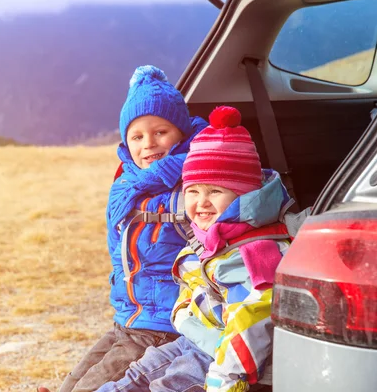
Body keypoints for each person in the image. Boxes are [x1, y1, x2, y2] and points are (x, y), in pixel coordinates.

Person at [95, 105, 294, 392]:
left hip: (226, 354)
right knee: (137, 375)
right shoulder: (210, 235)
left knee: (167, 385)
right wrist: (183, 313)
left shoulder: (254, 253)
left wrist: (226, 380)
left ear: (243, 194)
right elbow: (193, 282)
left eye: (215, 191)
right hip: (198, 336)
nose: (201, 202)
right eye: (193, 191)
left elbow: (250, 324)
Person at [38, 65, 208, 392]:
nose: (149, 144)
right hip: (128, 318)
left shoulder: (192, 183)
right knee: (71, 384)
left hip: (162, 325)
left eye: (161, 132)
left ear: (182, 133)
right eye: (137, 136)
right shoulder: (128, 185)